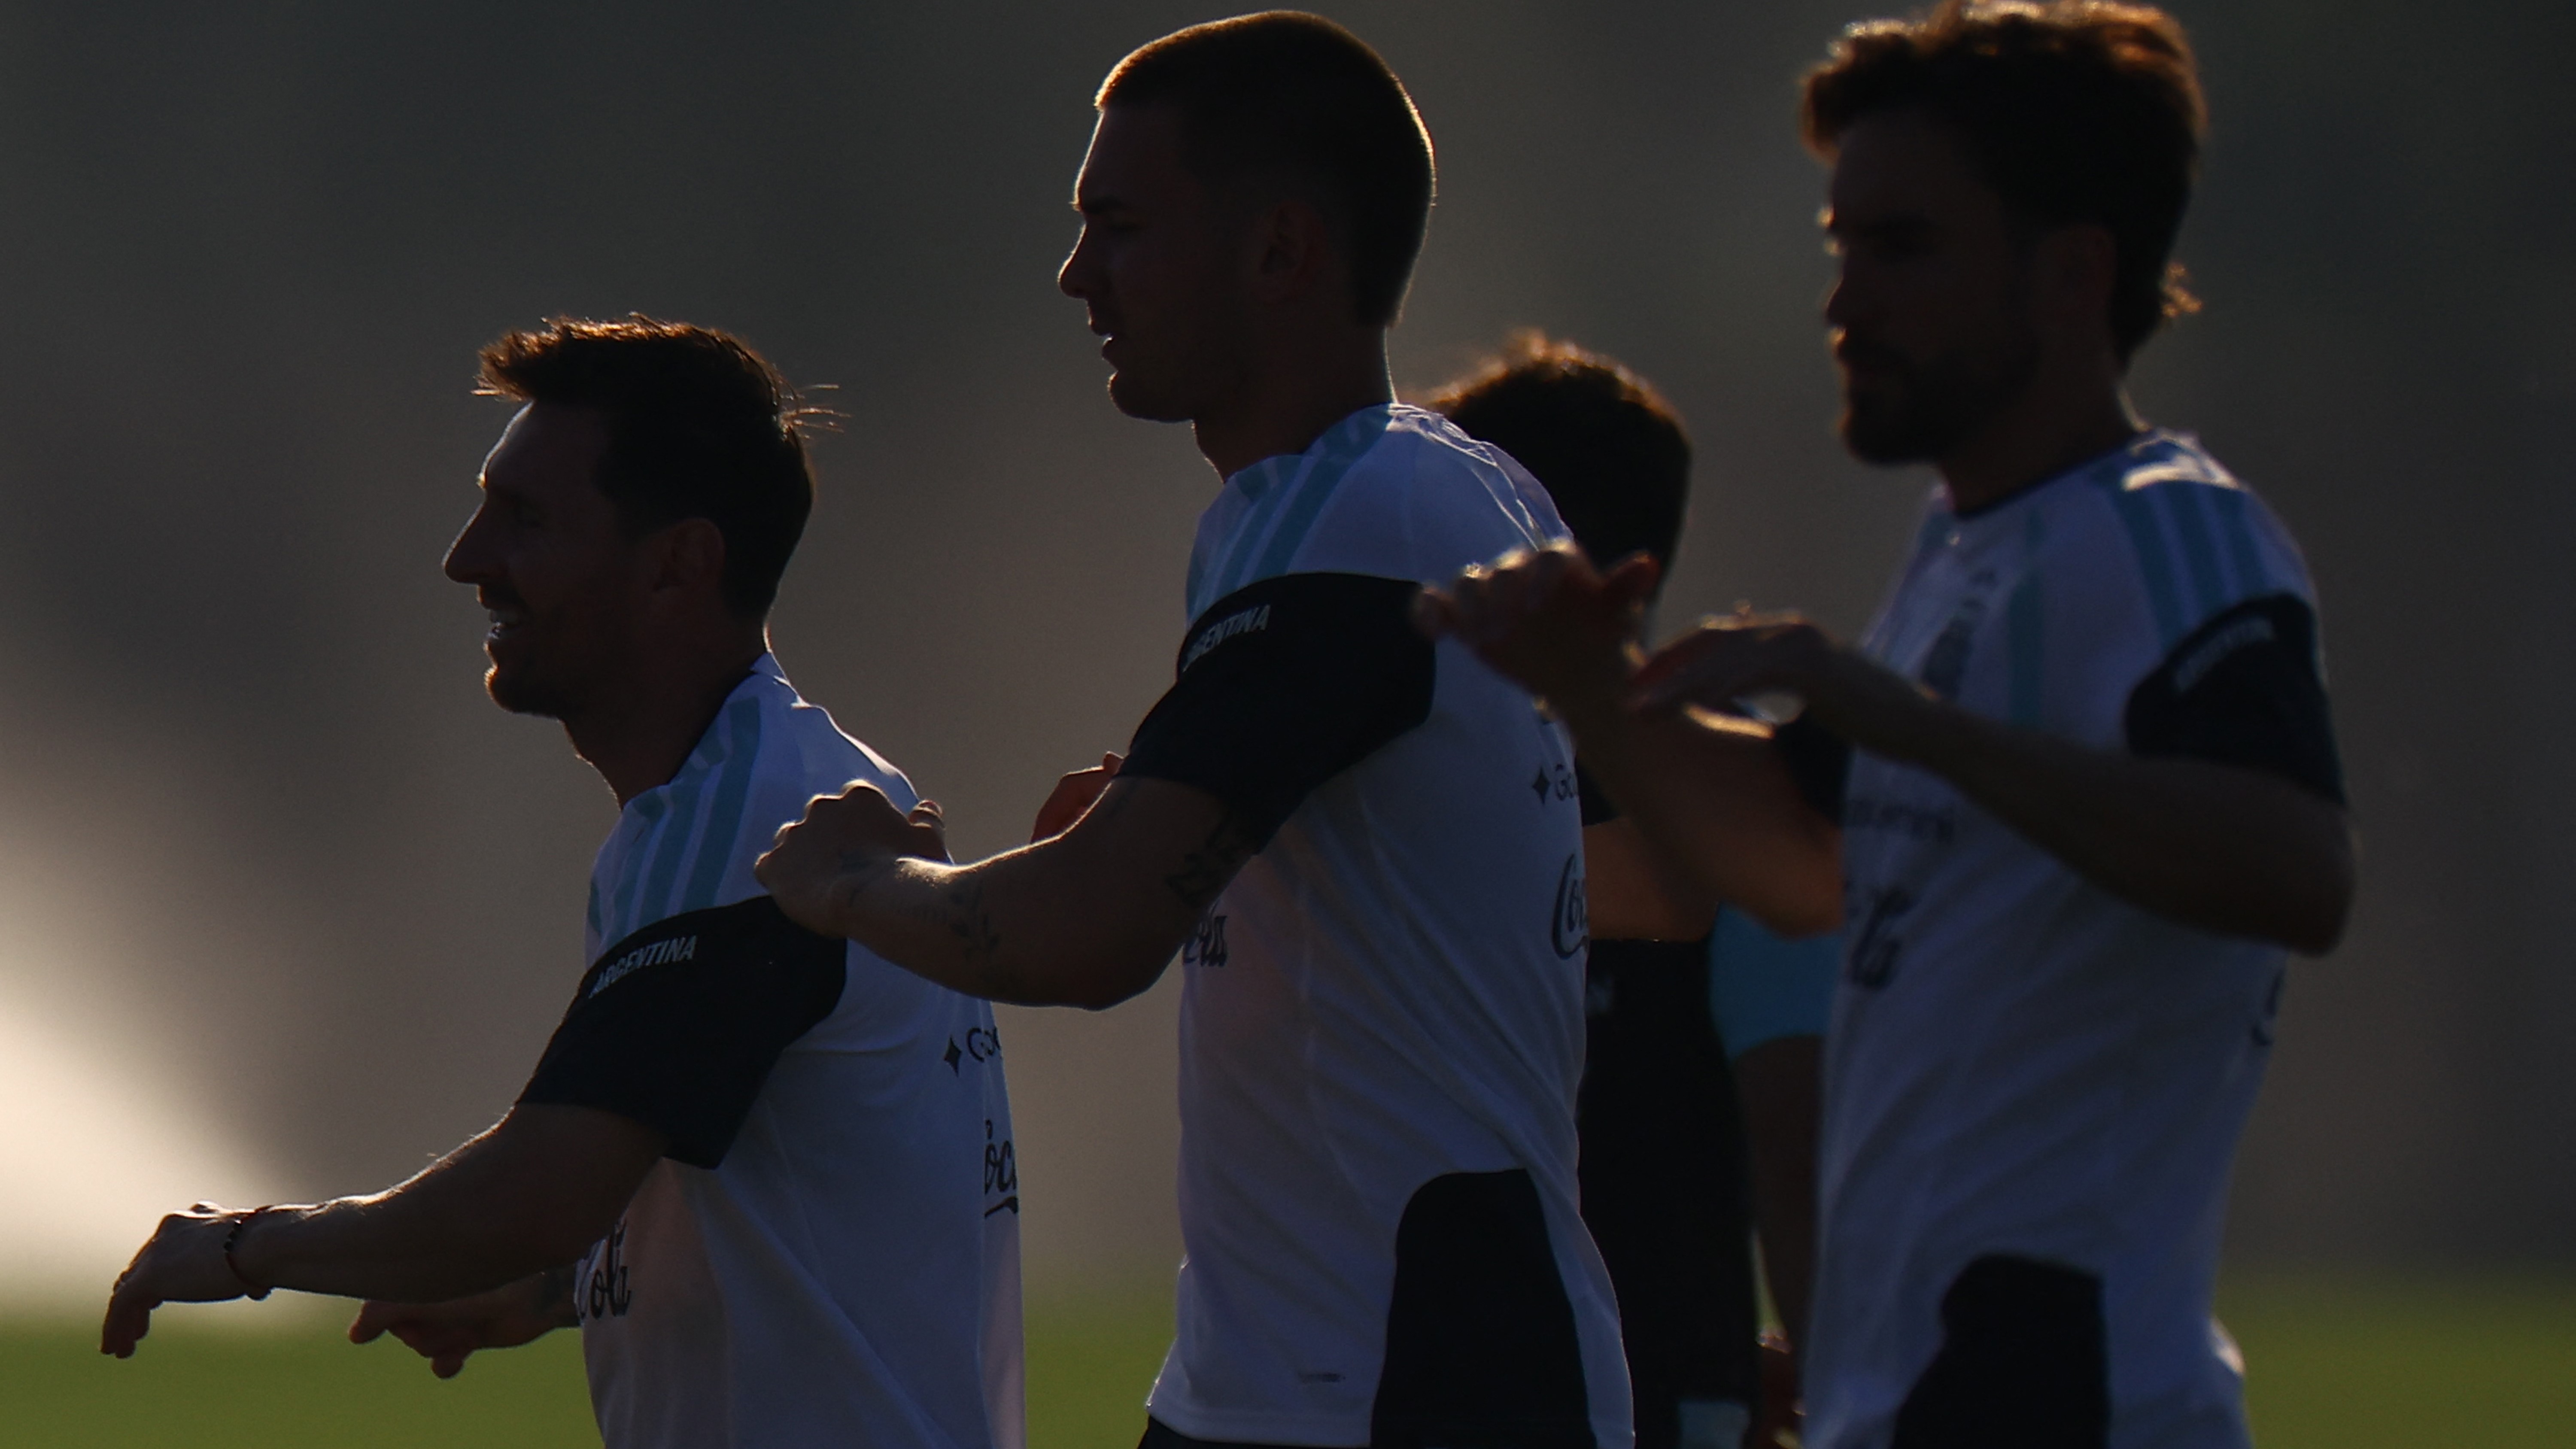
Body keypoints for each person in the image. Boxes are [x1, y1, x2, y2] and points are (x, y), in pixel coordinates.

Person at [1416, 4, 2354, 1446]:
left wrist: (1912, 727)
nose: (1844, 303)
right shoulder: (1971, 551)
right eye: (1841, 248)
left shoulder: (2176, 537)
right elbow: (1805, 862)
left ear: (2071, 275)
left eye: (1902, 250)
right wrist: (1585, 684)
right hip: (1916, 1402)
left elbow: (2297, 866)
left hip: (2084, 1405)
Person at [755, 14, 1694, 1449]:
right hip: (1310, 1375)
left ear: (1281, 252)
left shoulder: (1344, 525)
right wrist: (1231, 836)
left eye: (1120, 228)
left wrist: (860, 885)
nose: (1077, 277)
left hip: (1394, 1386)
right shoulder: (1461, 486)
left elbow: (1093, 937)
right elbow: (1565, 871)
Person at [103, 317, 1023, 1449]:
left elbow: (537, 1194)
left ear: (679, 563)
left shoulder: (741, 832)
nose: (466, 558)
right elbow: (794, 1191)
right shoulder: (774, 792)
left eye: (524, 519)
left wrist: (246, 1245)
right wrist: (560, 1290)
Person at [1426, 335, 1836, 1449]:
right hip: (1660, 1385)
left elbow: (1792, 1142)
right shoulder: (1734, 800)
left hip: (1560, 1398)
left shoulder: (1724, 821)